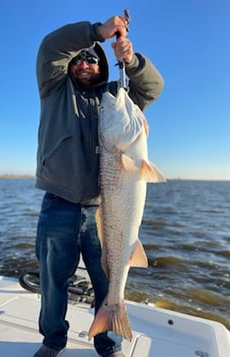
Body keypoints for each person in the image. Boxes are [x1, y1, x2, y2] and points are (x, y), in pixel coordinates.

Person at [34, 14, 164, 357]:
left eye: (92, 57)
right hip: (57, 205)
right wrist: (96, 33)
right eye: (78, 58)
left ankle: (109, 342)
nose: (84, 63)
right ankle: (52, 340)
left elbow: (152, 87)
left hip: (101, 209)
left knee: (108, 280)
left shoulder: (115, 96)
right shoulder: (54, 89)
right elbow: (51, 47)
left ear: (102, 66)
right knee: (52, 282)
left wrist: (131, 62)